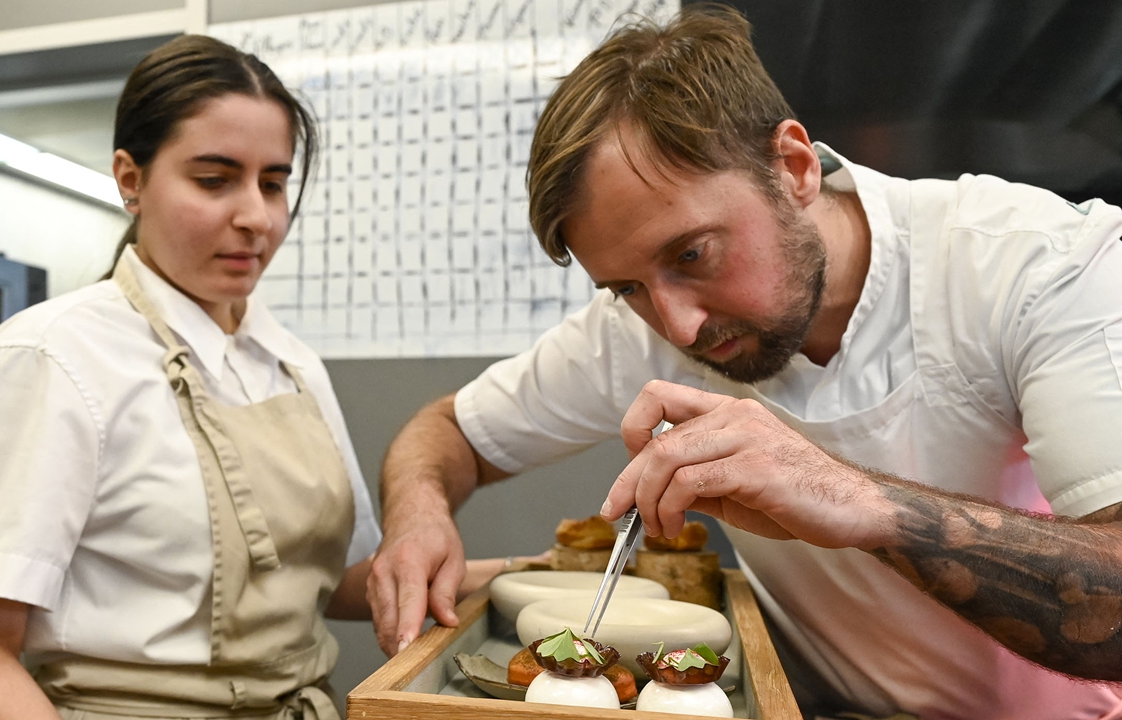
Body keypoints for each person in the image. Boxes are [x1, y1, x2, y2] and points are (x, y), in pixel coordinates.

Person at [369, 7, 1122, 720]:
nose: (679, 324)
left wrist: (864, 503)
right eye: (626, 286)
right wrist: (416, 519)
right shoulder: (638, 328)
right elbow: (448, 434)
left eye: (692, 253)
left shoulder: (1039, 267)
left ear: (794, 167)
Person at [0, 35, 520, 720]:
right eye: (214, 180)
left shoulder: (290, 362)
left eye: (273, 182)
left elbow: (334, 584)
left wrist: (524, 576)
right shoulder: (52, 357)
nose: (256, 216)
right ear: (130, 179)